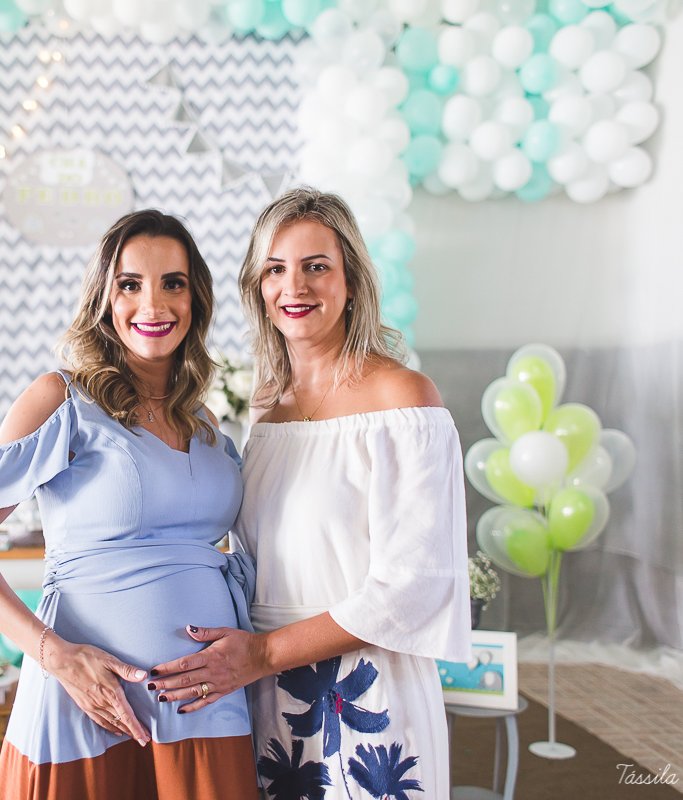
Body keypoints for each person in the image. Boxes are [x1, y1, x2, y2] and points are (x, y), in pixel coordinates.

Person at [147, 188, 471, 799]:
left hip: (368, 688)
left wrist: (264, 654)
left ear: (351, 281)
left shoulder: (403, 399)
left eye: (316, 266)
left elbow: (417, 585)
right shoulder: (270, 406)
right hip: (264, 692)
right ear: (258, 288)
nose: (293, 286)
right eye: (275, 269)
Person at [0, 210, 259, 800]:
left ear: (196, 298)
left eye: (173, 283)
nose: (153, 305)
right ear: (103, 299)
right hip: (91, 708)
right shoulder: (62, 400)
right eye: (130, 284)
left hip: (208, 708)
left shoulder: (208, 422)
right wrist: (52, 654)